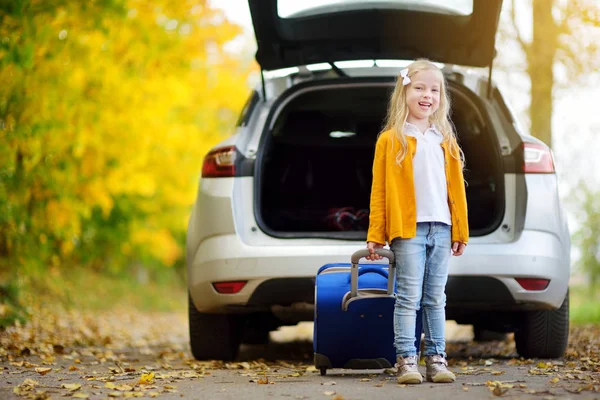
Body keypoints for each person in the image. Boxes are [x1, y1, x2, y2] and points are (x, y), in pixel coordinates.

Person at [366, 59, 469, 384]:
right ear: (405, 91)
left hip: (441, 227)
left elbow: (457, 191)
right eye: (420, 88)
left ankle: (437, 360)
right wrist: (375, 234)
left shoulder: (445, 139)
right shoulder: (391, 140)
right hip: (408, 230)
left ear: (441, 97)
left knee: (436, 297)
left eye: (434, 90)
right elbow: (379, 191)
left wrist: (460, 229)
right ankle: (406, 360)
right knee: (408, 296)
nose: (427, 95)